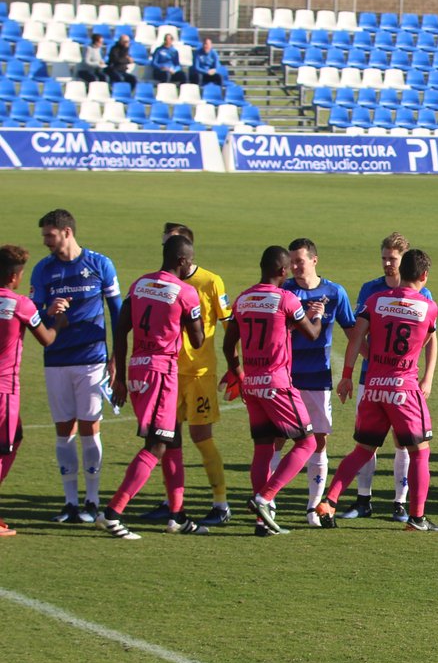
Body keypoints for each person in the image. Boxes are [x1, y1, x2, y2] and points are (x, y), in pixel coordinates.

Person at [315, 249, 438, 532]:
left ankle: (329, 502)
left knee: (362, 450)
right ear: (424, 275)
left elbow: (356, 338)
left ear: (400, 271)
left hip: (373, 387)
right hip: (403, 389)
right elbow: (422, 342)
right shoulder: (427, 307)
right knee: (420, 452)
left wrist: (347, 376)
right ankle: (417, 518)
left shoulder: (375, 301)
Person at [97, 234, 205, 539]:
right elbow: (198, 340)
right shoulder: (185, 292)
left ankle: (177, 515)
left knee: (173, 440)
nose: (190, 266)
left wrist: (119, 376)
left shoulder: (139, 284)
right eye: (190, 262)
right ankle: (113, 513)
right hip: (161, 371)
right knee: (156, 444)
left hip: (138, 367)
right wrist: (193, 315)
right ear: (182, 260)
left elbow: (121, 330)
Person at [223, 246, 326, 536]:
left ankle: (262, 523)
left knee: (263, 448)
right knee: (307, 443)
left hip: (252, 384)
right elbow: (312, 334)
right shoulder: (285, 299)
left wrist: (238, 373)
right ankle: (265, 498)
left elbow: (229, 345)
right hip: (277, 384)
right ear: (282, 270)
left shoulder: (243, 299)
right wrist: (317, 316)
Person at [139, 224, 233, 526]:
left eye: (171, 243)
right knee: (169, 439)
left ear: (185, 251)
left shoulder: (210, 281)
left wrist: (236, 367)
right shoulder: (158, 284)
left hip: (199, 374)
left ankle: (220, 504)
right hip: (168, 375)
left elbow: (230, 326)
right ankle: (172, 503)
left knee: (201, 437)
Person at [31, 210, 121, 524]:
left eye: (50, 235)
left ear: (67, 232)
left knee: (90, 427)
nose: (46, 241)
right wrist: (48, 311)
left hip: (92, 360)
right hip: (56, 360)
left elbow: (118, 313)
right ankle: (70, 503)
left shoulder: (99, 264)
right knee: (63, 429)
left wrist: (116, 358)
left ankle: (92, 501)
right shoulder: (43, 269)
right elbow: (33, 314)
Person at [344, 232, 433, 522]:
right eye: (383, 258)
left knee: (403, 442)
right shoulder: (370, 289)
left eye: (392, 259)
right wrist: (376, 359)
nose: (387, 264)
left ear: (404, 261)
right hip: (371, 378)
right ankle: (363, 499)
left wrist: (427, 378)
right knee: (367, 442)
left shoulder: (423, 295)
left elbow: (429, 340)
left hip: (403, 382)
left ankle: (400, 502)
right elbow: (358, 334)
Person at [280, 237, 358, 524]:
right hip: (287, 378)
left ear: (314, 260)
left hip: (318, 379)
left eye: (299, 261)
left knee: (319, 441)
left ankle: (313, 507)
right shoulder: (284, 291)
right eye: (291, 262)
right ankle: (269, 502)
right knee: (277, 439)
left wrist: (373, 361)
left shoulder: (335, 292)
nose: (295, 267)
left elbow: (353, 333)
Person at [0, 245, 57, 536]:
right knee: (4, 446)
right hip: (4, 389)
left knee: (16, 436)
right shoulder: (20, 303)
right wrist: (58, 320)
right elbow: (46, 338)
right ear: (14, 276)